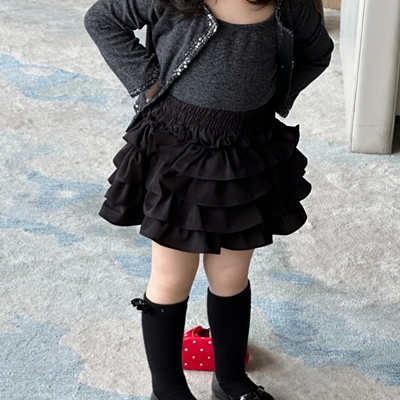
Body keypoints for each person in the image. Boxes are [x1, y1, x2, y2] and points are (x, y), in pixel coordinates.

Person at [84, 0, 334, 399]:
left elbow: (316, 51)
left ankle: (229, 378)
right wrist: (148, 81)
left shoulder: (288, 3)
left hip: (247, 152)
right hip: (178, 151)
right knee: (172, 277)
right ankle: (168, 391)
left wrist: (276, 95)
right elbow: (102, 19)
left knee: (231, 275)